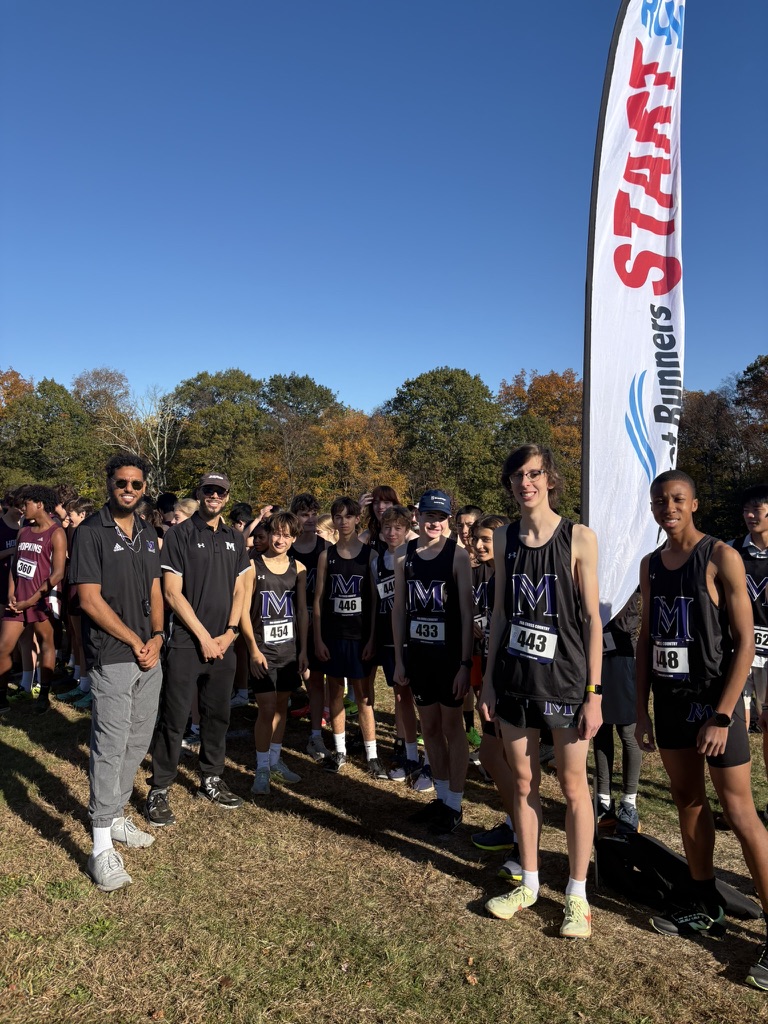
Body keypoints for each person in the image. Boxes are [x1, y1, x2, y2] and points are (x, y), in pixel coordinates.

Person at [635, 470, 768, 991]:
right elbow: (648, 637)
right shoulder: (650, 565)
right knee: (687, 799)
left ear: (693, 503)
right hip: (669, 703)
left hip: (714, 707)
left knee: (739, 811)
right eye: (659, 501)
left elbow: (745, 641)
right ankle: (704, 897)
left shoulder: (720, 557)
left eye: (676, 499)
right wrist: (642, 710)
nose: (667, 507)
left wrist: (723, 714)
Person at [479, 444, 602, 939]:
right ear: (509, 485)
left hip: (567, 681)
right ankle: (528, 883)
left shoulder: (578, 537)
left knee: (573, 787)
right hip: (514, 679)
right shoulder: (505, 537)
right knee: (525, 782)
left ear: (549, 479)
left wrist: (593, 693)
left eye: (534, 474)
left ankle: (577, 895)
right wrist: (488, 679)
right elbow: (503, 614)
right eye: (517, 476)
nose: (525, 483)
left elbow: (593, 619)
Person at [68, 455, 165, 891]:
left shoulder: (147, 532)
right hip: (113, 653)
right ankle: (100, 846)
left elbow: (154, 588)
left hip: (150, 653)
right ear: (110, 483)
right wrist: (133, 639)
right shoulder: (90, 532)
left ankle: (117, 813)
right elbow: (89, 600)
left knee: (137, 739)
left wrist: (159, 636)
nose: (130, 489)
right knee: (109, 743)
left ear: (145, 488)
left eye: (137, 484)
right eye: (122, 482)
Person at [146, 471, 252, 824]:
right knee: (174, 718)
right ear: (200, 493)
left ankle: (211, 777)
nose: (214, 496)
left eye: (220, 491)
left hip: (224, 643)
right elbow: (172, 593)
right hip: (187, 642)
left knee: (217, 715)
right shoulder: (179, 534)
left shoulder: (235, 539)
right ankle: (159, 786)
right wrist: (204, 637)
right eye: (209, 490)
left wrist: (231, 632)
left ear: (226, 496)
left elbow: (241, 589)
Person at [393, 489, 474, 833]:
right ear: (418, 516)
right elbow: (399, 610)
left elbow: (468, 615)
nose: (435, 523)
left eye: (441, 518)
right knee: (429, 728)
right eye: (429, 516)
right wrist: (400, 659)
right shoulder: (403, 555)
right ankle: (440, 799)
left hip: (449, 659)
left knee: (452, 728)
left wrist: (465, 664)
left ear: (448, 520)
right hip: (419, 657)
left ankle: (454, 804)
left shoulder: (458, 556)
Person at [313, 497, 384, 777]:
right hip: (333, 636)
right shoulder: (325, 556)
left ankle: (372, 755)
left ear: (357, 519)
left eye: (348, 516)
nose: (343, 521)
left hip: (360, 637)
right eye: (338, 517)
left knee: (364, 696)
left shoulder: (371, 556)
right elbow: (318, 599)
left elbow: (377, 604)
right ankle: (340, 751)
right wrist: (318, 639)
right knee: (335, 692)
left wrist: (372, 639)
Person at [241, 511, 309, 796]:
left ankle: (275, 759)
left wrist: (304, 650)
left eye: (287, 535)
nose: (281, 540)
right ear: (268, 534)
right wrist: (253, 650)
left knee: (282, 707)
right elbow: (242, 611)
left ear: (294, 538)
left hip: (289, 651)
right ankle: (261, 768)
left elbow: (302, 612)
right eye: (277, 533)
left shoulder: (300, 568)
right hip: (262, 649)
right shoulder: (252, 565)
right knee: (266, 709)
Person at [361, 504, 420, 782]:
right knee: (399, 695)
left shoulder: (415, 556)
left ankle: (425, 753)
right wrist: (373, 637)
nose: (392, 532)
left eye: (398, 527)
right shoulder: (378, 560)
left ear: (407, 529)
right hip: (387, 637)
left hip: (413, 638)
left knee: (418, 696)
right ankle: (406, 749)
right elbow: (375, 603)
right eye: (387, 527)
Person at [0, 486, 67, 717]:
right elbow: (15, 566)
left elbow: (57, 573)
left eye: (26, 504)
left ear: (39, 504)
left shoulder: (56, 533)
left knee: (46, 643)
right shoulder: (23, 531)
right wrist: (11, 592)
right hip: (17, 601)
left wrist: (32, 599)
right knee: (4, 647)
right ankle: (1, 697)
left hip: (40, 602)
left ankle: (43, 694)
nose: (22, 508)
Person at [732, 484, 768, 809]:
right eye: (747, 510)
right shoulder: (732, 550)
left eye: (756, 509)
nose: (750, 515)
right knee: (737, 727)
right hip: (739, 651)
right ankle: (739, 803)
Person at [594, 591, 642, 834]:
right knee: (600, 729)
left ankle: (629, 802)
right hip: (595, 653)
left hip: (623, 653)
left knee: (627, 732)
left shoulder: (633, 558)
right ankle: (603, 800)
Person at [289, 493, 331, 762]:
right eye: (304, 514)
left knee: (315, 679)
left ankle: (316, 735)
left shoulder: (325, 548)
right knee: (286, 680)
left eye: (314, 513)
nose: (310, 519)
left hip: (316, 621)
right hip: (287, 621)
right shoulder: (286, 547)